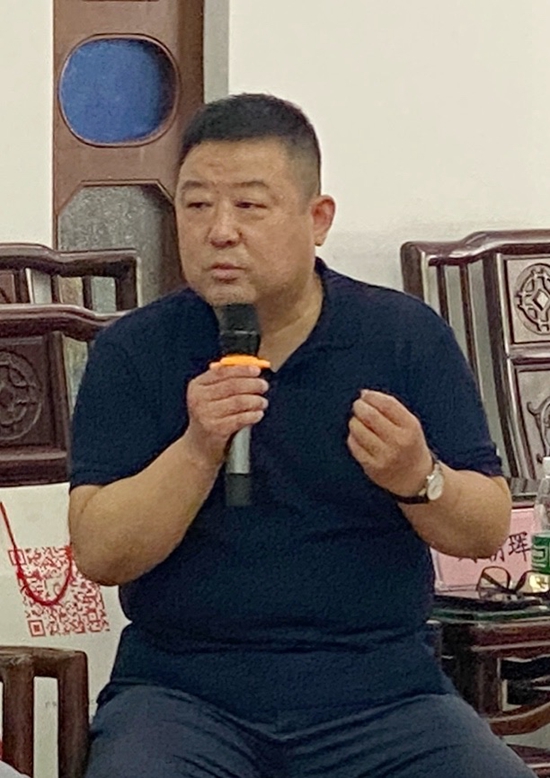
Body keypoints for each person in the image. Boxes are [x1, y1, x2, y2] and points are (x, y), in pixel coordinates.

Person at [68, 93, 534, 777]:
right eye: (196, 205)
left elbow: (485, 530)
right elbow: (100, 553)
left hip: (382, 697)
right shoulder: (135, 350)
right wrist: (198, 447)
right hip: (184, 696)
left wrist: (419, 477)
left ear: (318, 219)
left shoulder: (401, 337)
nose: (220, 231)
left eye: (249, 206)